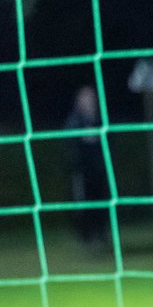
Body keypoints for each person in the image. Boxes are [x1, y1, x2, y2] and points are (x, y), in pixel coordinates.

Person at [64, 85, 109, 248]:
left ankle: (102, 236)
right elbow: (70, 143)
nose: (89, 101)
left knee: (102, 203)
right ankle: (86, 238)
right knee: (83, 204)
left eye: (91, 97)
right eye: (86, 97)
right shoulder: (75, 120)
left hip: (99, 170)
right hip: (81, 171)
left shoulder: (99, 119)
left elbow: (110, 141)